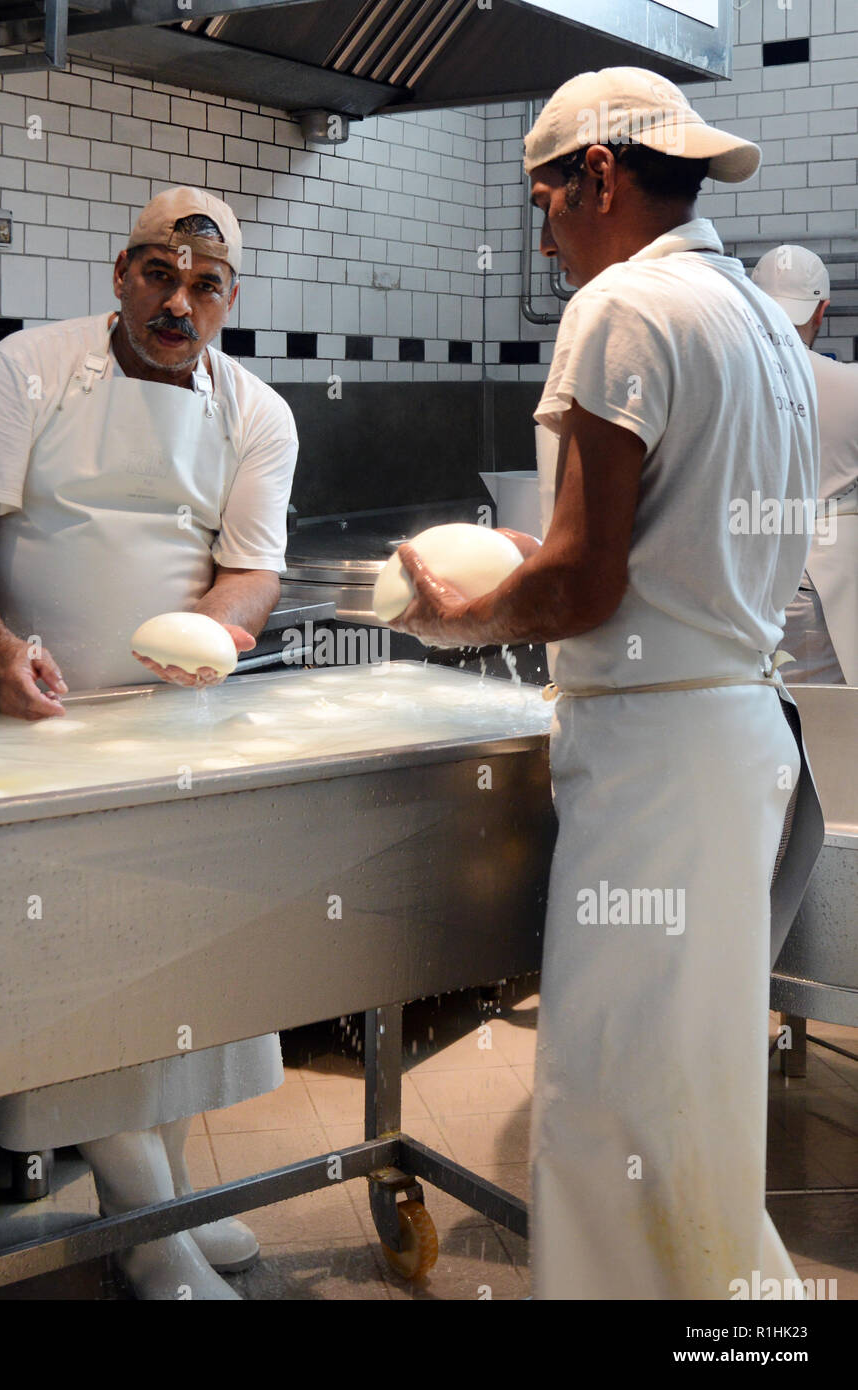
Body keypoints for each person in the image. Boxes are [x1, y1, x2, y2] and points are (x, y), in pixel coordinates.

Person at [389, 67, 824, 1299]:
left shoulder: (624, 305)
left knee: (610, 1092)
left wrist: (466, 614)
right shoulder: (757, 322)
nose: (543, 236)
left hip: (656, 759)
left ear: (597, 173)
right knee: (691, 1080)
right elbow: (651, 550)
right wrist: (541, 567)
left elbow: (585, 585)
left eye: (546, 203)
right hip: (734, 731)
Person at [0, 187, 298, 1299]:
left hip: (170, 729)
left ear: (231, 297)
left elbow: (253, 563)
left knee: (174, 969)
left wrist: (224, 634)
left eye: (204, 284)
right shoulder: (31, 368)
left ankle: (162, 1199)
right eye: (157, 275)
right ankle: (152, 1228)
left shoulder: (257, 411)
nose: (178, 302)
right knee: (78, 973)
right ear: (119, 273)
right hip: (28, 723)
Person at [751, 245, 857, 685]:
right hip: (828, 589)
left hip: (744, 579)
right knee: (827, 733)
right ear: (821, 310)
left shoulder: (720, 382)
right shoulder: (851, 385)